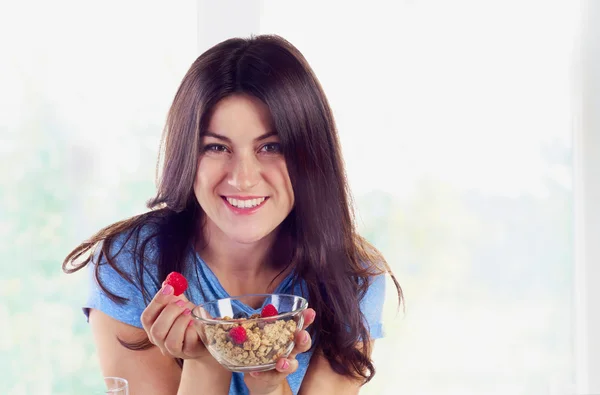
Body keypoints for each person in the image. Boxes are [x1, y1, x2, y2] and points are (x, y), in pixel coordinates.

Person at [63, 34, 403, 395]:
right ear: (187, 156)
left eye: (271, 147)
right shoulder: (130, 265)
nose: (242, 178)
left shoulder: (352, 277)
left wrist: (271, 387)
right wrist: (205, 359)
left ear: (311, 156)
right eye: (216, 147)